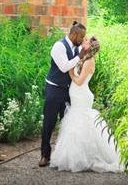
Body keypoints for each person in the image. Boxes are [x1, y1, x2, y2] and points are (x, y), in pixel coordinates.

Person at [49, 36, 124, 173]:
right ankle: (74, 157)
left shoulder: (89, 61)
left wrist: (70, 71)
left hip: (82, 96)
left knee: (83, 124)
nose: (84, 40)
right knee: (75, 126)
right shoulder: (83, 58)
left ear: (89, 46)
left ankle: (91, 157)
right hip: (77, 95)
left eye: (87, 41)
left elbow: (79, 81)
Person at [39, 21, 86, 167]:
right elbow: (65, 67)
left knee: (68, 124)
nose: (82, 40)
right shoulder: (58, 46)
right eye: (81, 37)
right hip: (54, 90)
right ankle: (45, 155)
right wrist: (80, 56)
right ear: (73, 34)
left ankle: (65, 156)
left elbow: (79, 63)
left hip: (68, 91)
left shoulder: (77, 48)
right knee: (49, 123)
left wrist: (89, 48)